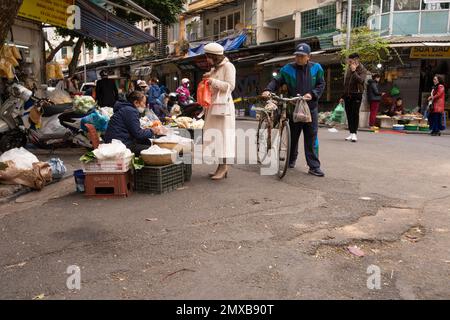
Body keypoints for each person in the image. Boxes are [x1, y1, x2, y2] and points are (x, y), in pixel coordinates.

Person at [262, 43, 326, 177]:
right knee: (293, 137)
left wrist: (313, 94)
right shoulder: (287, 69)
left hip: (311, 109)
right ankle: (290, 160)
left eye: (302, 56)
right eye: (297, 55)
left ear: (309, 56)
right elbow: (276, 81)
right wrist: (268, 90)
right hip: (293, 108)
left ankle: (314, 166)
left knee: (311, 138)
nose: (298, 58)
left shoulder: (316, 68)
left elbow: (321, 84)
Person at [202, 42, 236, 180]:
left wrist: (212, 82)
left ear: (215, 56)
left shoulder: (228, 66)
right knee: (215, 137)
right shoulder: (215, 69)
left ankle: (224, 167)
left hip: (223, 108)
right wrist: (208, 78)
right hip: (213, 106)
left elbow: (230, 86)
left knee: (223, 137)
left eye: (208, 57)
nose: (207, 60)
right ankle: (220, 166)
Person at [104, 91, 163, 155]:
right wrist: (152, 131)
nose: (145, 106)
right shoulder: (130, 111)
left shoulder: (126, 109)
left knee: (147, 142)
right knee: (152, 149)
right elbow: (138, 134)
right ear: (136, 103)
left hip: (119, 141)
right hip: (119, 145)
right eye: (144, 103)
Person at [340, 53, 368, 142]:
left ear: (356, 60)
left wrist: (354, 71)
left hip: (357, 94)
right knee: (348, 114)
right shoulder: (348, 69)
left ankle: (354, 133)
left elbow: (361, 80)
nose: (349, 62)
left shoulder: (363, 70)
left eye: (351, 61)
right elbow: (346, 84)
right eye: (349, 61)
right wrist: (342, 96)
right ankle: (351, 133)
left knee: (354, 114)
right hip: (348, 95)